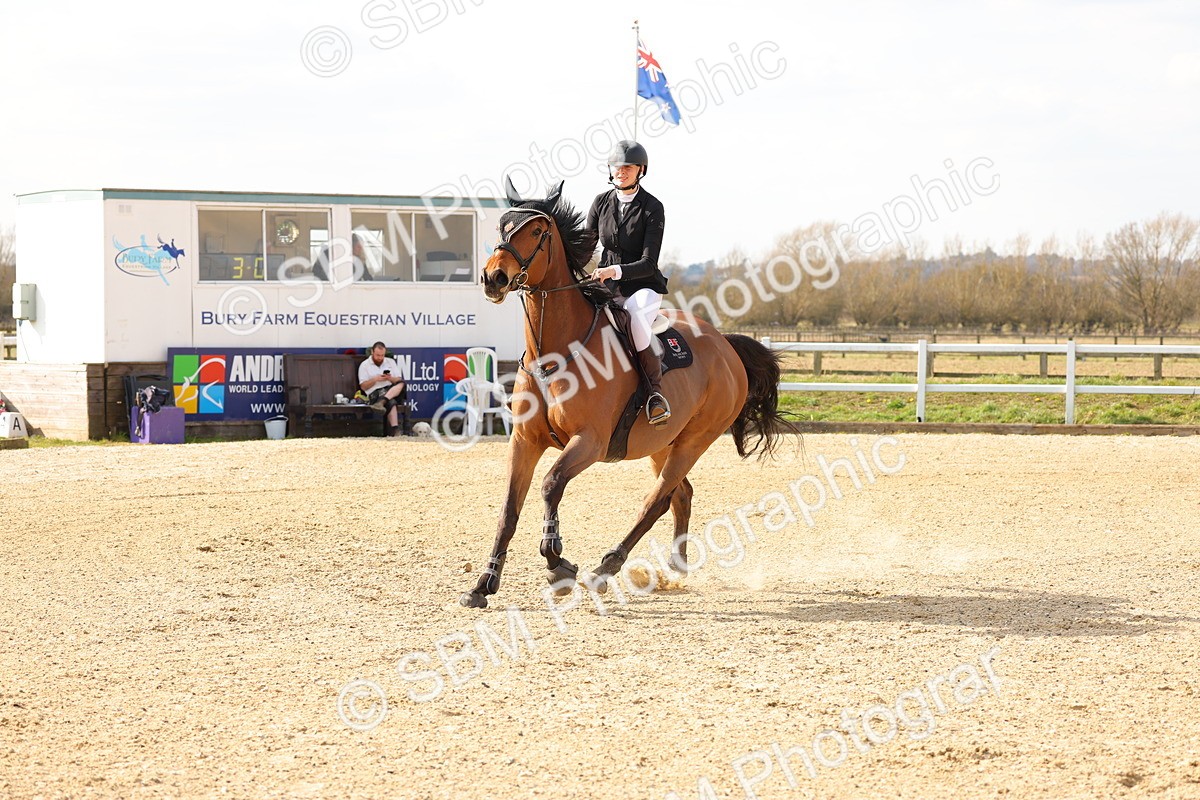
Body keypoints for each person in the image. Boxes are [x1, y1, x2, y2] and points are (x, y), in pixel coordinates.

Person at [585, 139, 671, 425]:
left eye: (628, 167)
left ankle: (654, 393)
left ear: (640, 170)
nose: (621, 171)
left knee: (634, 319)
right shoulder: (600, 203)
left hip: (643, 286)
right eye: (617, 166)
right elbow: (586, 247)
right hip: (606, 285)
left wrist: (613, 271)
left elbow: (649, 263)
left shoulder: (652, 208)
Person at [358, 341, 410, 436]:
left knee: (402, 383)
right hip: (375, 393)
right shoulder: (364, 365)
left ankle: (382, 402)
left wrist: (390, 378)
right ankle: (395, 430)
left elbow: (398, 380)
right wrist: (375, 379)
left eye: (382, 355)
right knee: (391, 401)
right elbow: (363, 386)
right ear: (372, 352)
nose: (380, 358)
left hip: (390, 389)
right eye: (378, 355)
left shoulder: (390, 362)